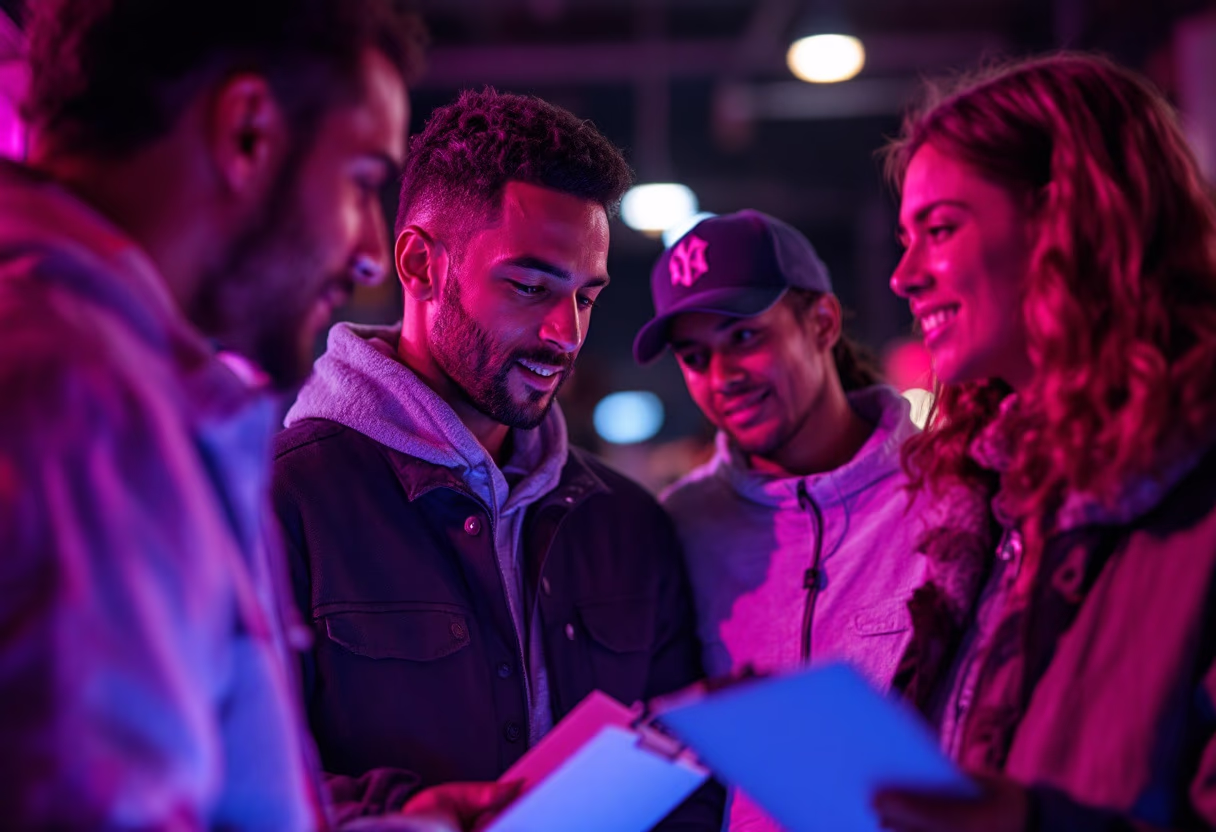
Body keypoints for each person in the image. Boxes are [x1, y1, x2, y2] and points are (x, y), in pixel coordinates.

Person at [0, 2, 513, 829]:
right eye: (362, 184)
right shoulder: (80, 399)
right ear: (247, 132)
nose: (368, 251)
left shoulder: (102, 375)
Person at [271, 87, 724, 829]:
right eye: (528, 286)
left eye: (585, 297)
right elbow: (232, 783)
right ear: (420, 264)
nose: (565, 334)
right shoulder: (286, 499)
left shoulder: (627, 525)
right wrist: (405, 815)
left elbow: (690, 790)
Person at [873, 53, 1216, 831]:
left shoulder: (1191, 494)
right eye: (905, 235)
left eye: (940, 228)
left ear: (1067, 221)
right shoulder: (987, 510)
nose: (902, 275)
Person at [634, 209, 938, 831]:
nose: (722, 378)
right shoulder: (680, 525)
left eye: (745, 337)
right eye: (694, 356)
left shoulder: (945, 491)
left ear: (822, 322)